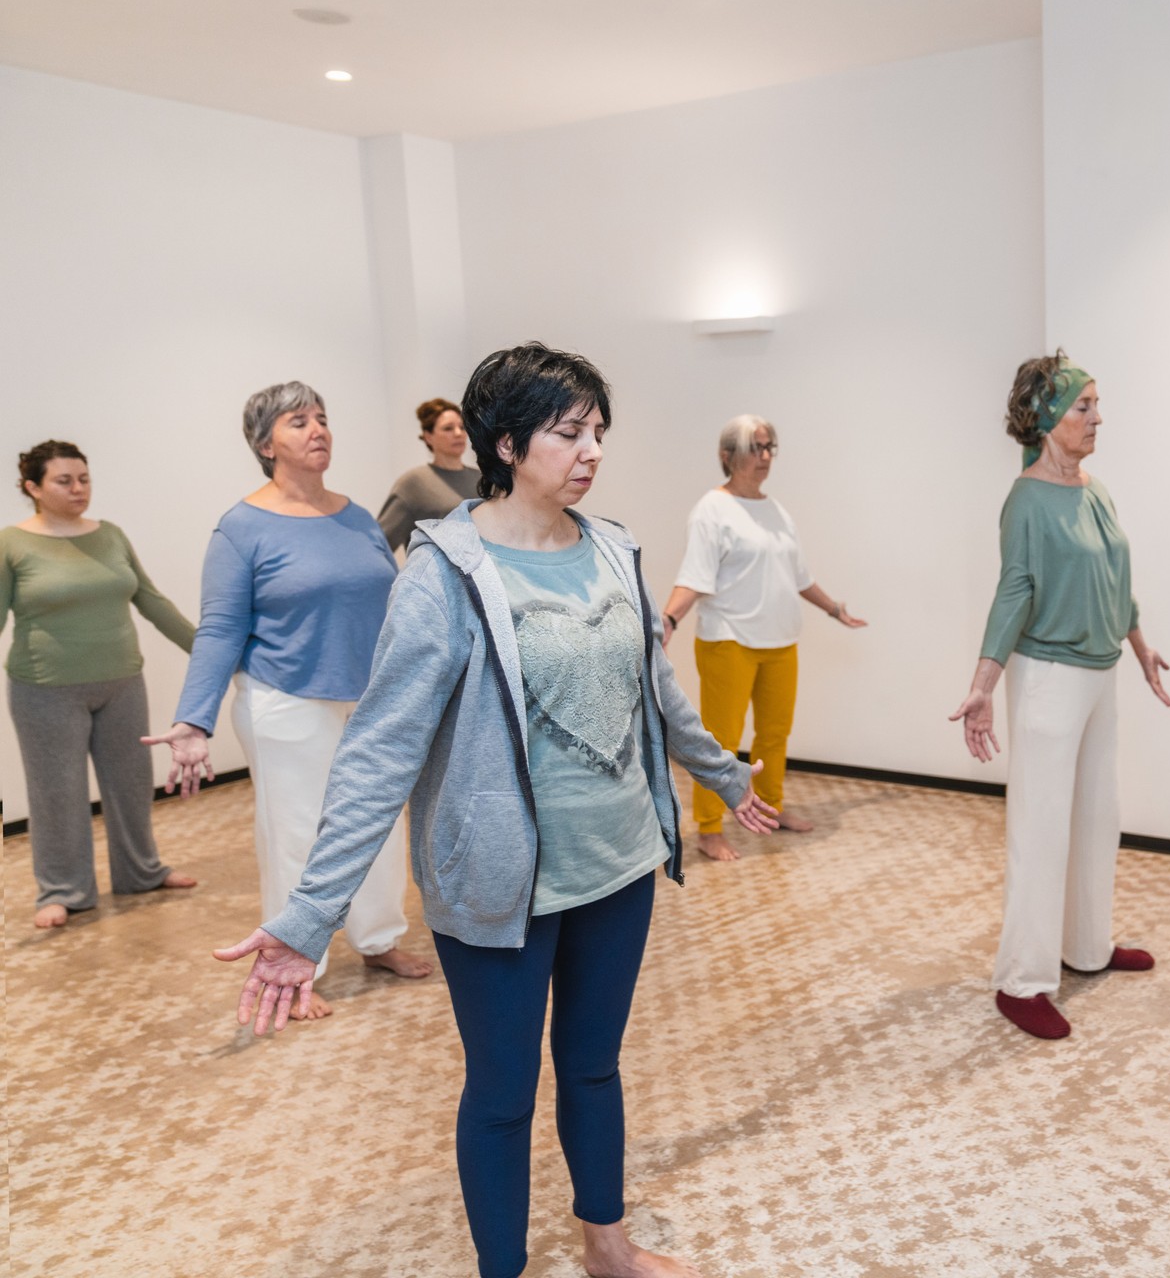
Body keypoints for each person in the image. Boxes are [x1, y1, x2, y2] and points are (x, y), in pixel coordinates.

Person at [212, 344, 778, 1278]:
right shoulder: (444, 575)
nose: (592, 450)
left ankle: (607, 1245)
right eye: (568, 433)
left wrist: (721, 772)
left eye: (598, 431)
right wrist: (309, 919)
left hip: (619, 862)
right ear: (507, 443)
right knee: (505, 1093)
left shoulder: (614, 546)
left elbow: (653, 685)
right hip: (499, 883)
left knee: (594, 1068)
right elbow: (379, 752)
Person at [144, 382, 433, 1016]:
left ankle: (378, 937)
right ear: (264, 443)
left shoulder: (357, 517)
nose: (318, 430)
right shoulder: (240, 528)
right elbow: (220, 627)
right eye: (298, 421)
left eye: (323, 418)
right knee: (298, 833)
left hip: (369, 697)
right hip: (284, 697)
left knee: (378, 825)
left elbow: (386, 605)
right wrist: (192, 719)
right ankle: (300, 965)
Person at [950, 352, 1170, 1040]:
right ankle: (1022, 981)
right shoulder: (1026, 501)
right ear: (1047, 419)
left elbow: (1115, 574)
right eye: (1083, 407)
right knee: (1041, 829)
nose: (1097, 417)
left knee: (1098, 816)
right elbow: (1015, 589)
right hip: (1047, 675)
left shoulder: (1095, 490)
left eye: (1096, 405)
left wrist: (1139, 647)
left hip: (1100, 670)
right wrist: (984, 683)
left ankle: (1088, 947)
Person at [0, 441, 197, 928]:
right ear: (33, 488)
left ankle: (142, 871)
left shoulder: (110, 535)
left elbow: (151, 600)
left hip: (123, 683)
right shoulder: (13, 543)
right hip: (45, 688)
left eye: (84, 478)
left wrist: (213, 653)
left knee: (131, 786)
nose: (78, 489)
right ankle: (62, 891)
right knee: (57, 792)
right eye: (63, 481)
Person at [660, 414, 867, 862]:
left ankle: (770, 809)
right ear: (727, 456)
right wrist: (669, 622)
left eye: (770, 447)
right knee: (721, 740)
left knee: (775, 734)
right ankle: (709, 827)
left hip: (780, 642)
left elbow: (798, 576)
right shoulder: (711, 510)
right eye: (756, 447)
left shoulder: (777, 511)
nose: (766, 456)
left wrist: (834, 609)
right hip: (728, 642)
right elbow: (694, 578)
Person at [378, 397, 482, 552]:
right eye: (448, 428)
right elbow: (381, 544)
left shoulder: (482, 478)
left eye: (462, 427)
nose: (458, 433)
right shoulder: (414, 483)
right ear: (428, 436)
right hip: (437, 574)